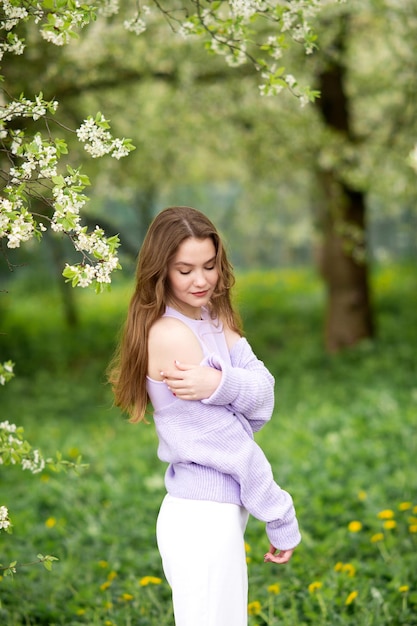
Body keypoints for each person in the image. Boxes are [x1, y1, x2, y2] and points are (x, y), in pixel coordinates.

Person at [109, 206, 301, 626]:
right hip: (200, 520)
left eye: (210, 266)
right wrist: (280, 513)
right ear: (161, 272)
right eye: (185, 270)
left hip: (219, 514)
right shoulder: (172, 334)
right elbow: (230, 442)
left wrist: (218, 386)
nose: (201, 280)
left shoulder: (212, 318)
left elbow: (264, 394)